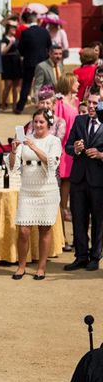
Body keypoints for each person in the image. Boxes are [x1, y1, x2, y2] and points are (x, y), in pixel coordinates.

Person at [9, 109, 61, 280]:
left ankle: (41, 267)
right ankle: (21, 266)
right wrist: (13, 150)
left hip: (47, 190)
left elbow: (52, 161)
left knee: (44, 229)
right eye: (35, 121)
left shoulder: (54, 141)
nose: (38, 125)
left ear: (48, 124)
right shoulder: (25, 139)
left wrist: (34, 146)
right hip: (28, 189)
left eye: (41, 122)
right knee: (23, 230)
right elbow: (13, 167)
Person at [64, 93, 103, 271]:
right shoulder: (79, 120)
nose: (92, 106)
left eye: (96, 103)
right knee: (78, 218)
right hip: (78, 179)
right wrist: (76, 149)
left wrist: (101, 155)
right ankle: (81, 256)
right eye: (89, 102)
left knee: (98, 220)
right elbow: (68, 147)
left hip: (99, 181)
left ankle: (95, 257)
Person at [55, 73, 79, 227]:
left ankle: (64, 211)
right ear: (69, 84)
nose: (78, 83)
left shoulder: (76, 101)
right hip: (62, 149)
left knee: (68, 184)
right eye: (76, 82)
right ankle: (61, 215)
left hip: (72, 148)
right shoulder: (59, 103)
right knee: (62, 184)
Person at [16, 12, 52, 114]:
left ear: (28, 21)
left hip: (29, 62)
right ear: (37, 21)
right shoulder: (44, 32)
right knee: (44, 85)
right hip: (43, 62)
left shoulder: (26, 32)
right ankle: (45, 105)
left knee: (26, 85)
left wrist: (26, 54)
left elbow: (20, 49)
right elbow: (49, 46)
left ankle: (20, 107)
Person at [1, 22, 23, 110]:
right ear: (8, 29)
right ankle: (3, 104)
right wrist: (10, 43)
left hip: (17, 63)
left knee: (16, 85)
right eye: (12, 28)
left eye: (15, 28)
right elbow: (2, 51)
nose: (14, 29)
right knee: (8, 85)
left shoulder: (17, 39)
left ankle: (14, 105)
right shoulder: (4, 39)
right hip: (8, 63)